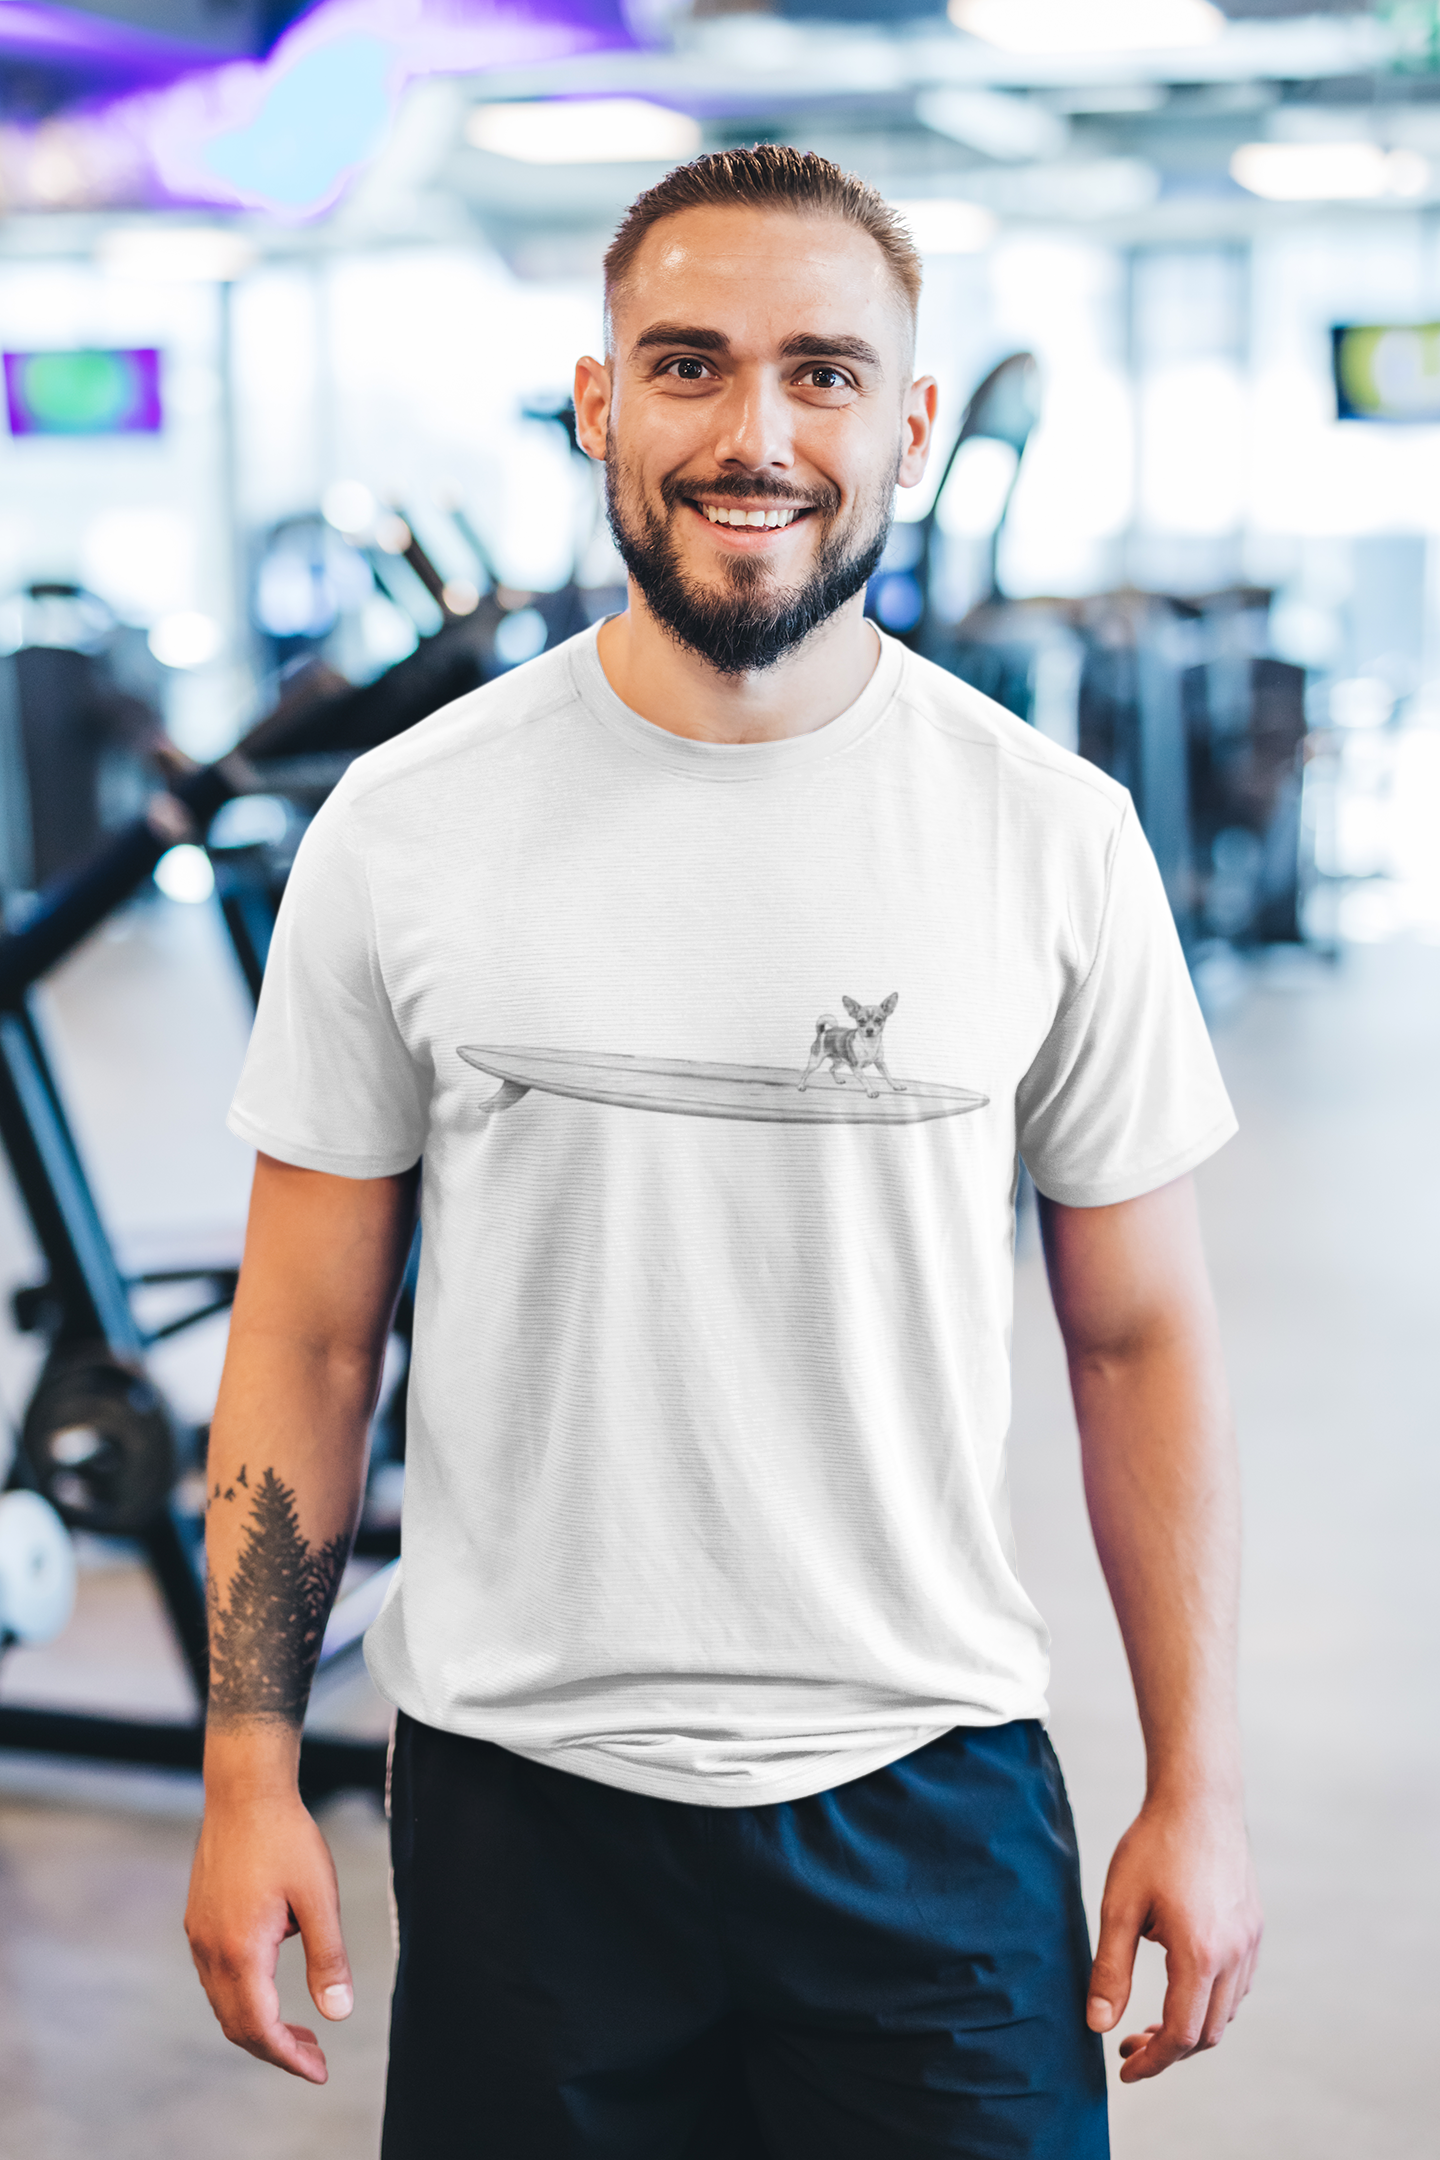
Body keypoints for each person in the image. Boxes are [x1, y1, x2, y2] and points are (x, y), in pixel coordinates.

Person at [185, 147, 1262, 2159]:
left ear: (909, 422)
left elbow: (1142, 1342)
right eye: (687, 365)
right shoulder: (406, 830)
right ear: (600, 401)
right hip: (523, 1815)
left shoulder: (1051, 834)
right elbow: (309, 1340)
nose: (754, 433)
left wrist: (1198, 1779)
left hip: (926, 1804)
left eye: (824, 373)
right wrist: (252, 1764)